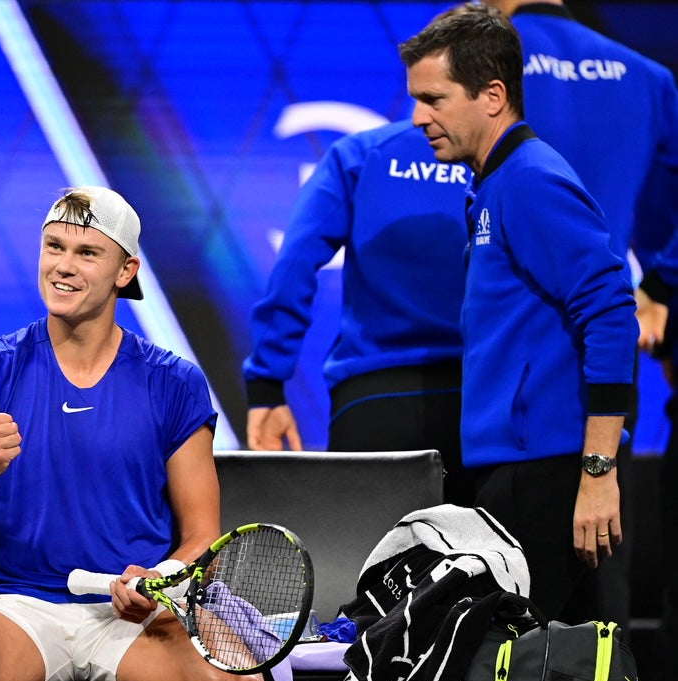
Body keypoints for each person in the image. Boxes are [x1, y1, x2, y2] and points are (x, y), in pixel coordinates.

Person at [0, 186, 269, 681]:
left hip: (132, 614)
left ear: (125, 270)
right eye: (54, 247)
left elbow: (201, 536)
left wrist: (158, 580)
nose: (63, 267)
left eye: (87, 253)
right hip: (16, 605)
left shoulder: (175, 382)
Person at [398, 7, 638, 623]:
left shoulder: (531, 181)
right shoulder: (498, 184)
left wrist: (597, 470)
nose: (419, 117)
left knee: (531, 672)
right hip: (520, 469)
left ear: (493, 96)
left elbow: (611, 312)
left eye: (433, 99)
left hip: (552, 475)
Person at [481, 0, 678, 635]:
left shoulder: (487, 65)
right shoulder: (648, 76)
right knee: (603, 573)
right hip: (609, 358)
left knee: (503, 578)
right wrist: (659, 291)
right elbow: (668, 218)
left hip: (513, 363)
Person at [243, 118, 475, 505]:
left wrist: (266, 383)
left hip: (372, 401)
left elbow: (294, 263)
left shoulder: (362, 154)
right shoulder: (508, 159)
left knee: (362, 561)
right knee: (489, 560)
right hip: (480, 403)